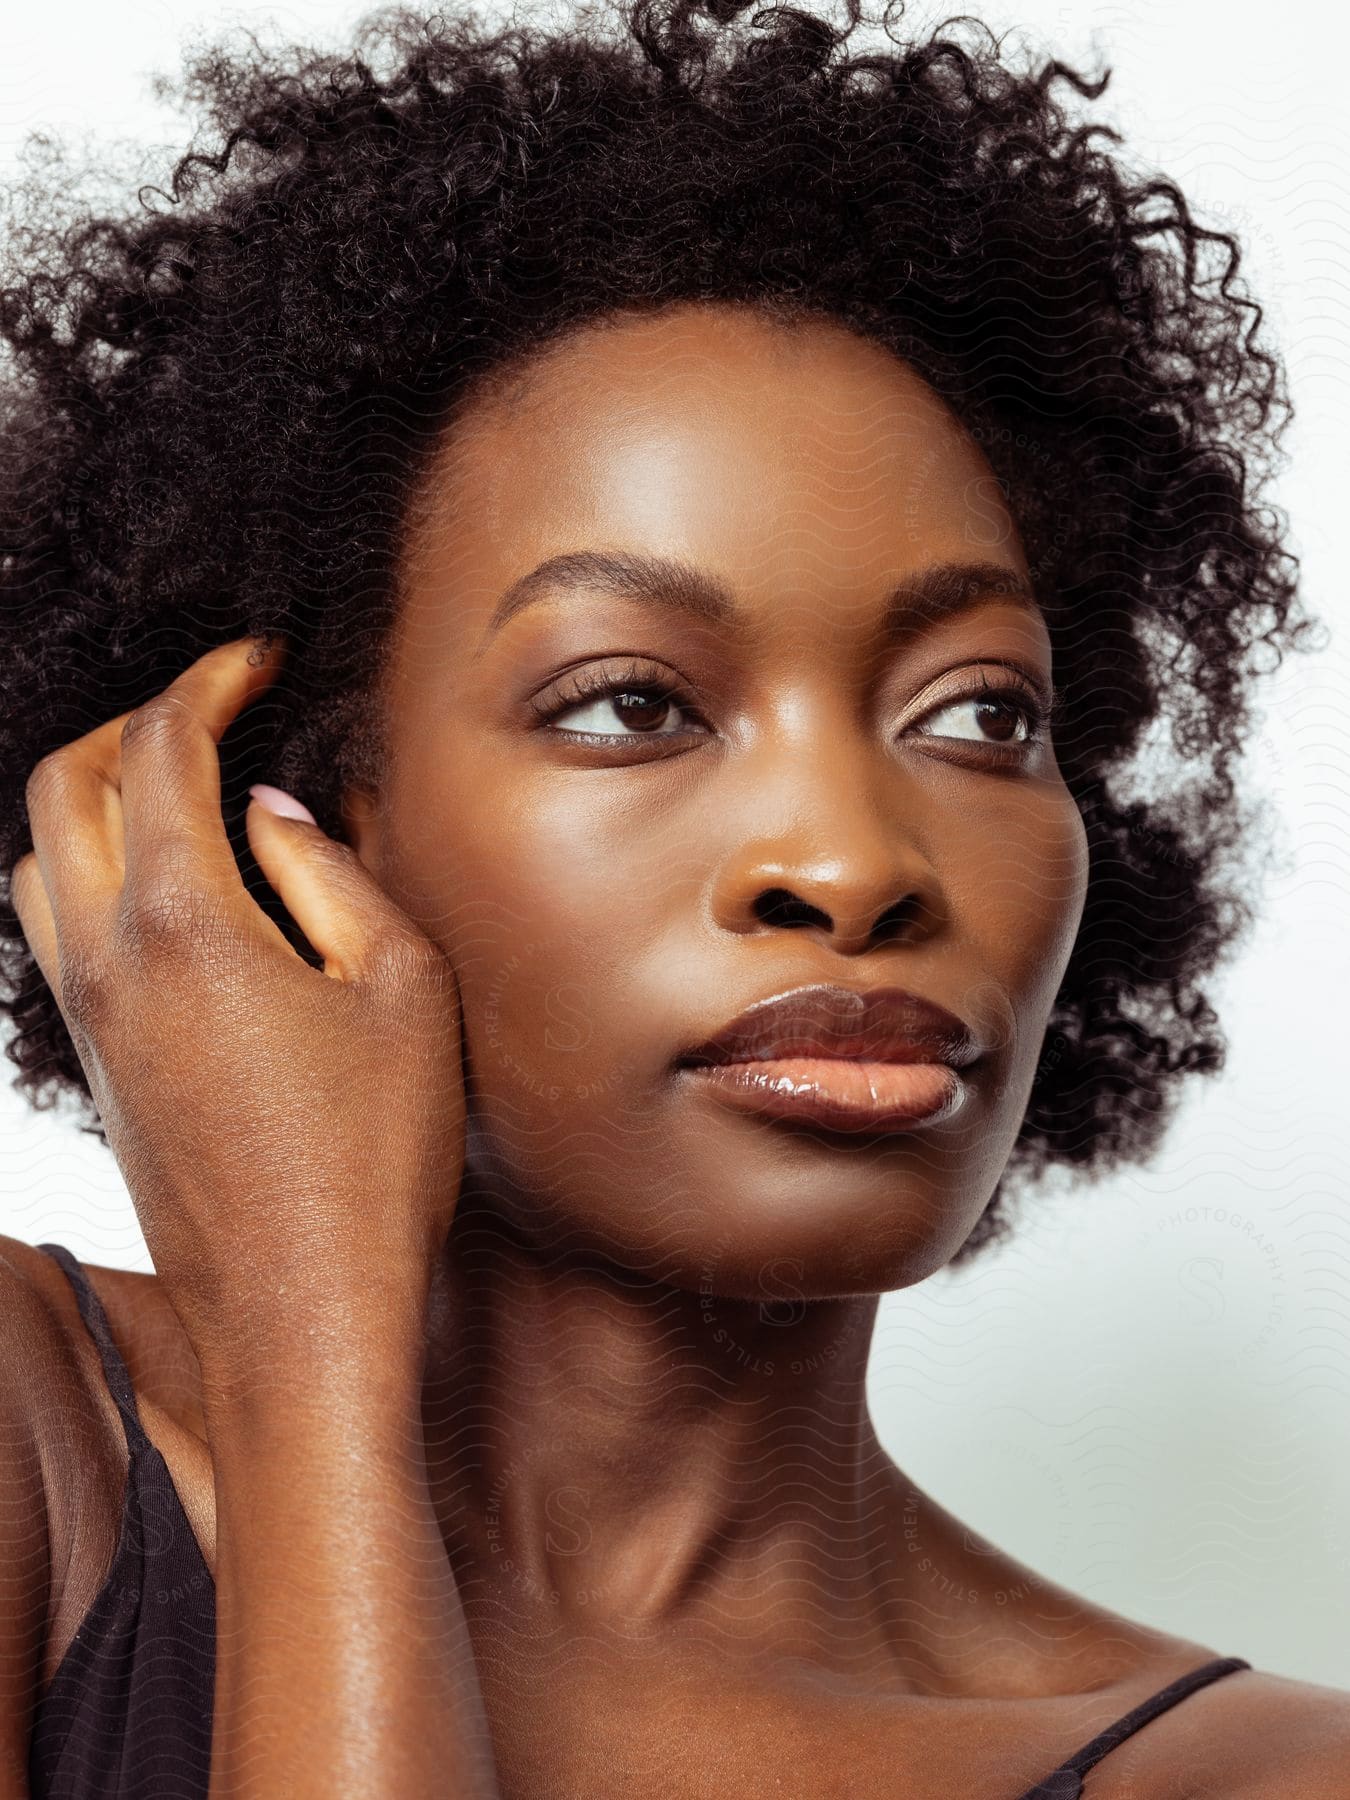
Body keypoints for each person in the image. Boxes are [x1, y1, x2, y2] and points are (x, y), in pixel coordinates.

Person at [0, 1, 1344, 1794]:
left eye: (978, 715)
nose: (856, 862)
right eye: (633, 703)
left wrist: (309, 1369)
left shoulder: (1253, 1776)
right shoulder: (36, 1450)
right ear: (290, 819)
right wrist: (311, 1335)